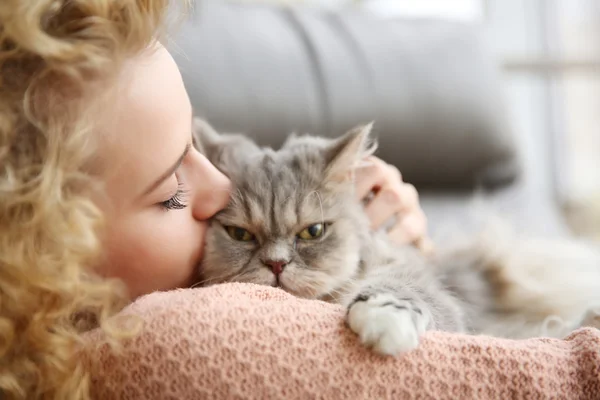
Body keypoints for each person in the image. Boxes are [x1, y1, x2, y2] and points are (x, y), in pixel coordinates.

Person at [0, 1, 431, 397]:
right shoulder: (195, 345)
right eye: (170, 193)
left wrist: (391, 253)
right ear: (45, 262)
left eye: (196, 147)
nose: (222, 187)